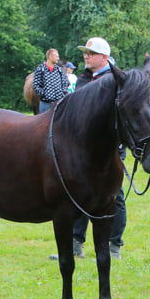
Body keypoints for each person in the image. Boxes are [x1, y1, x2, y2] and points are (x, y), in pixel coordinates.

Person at [64, 36, 126, 260]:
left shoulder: (116, 81)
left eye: (91, 53)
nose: (86, 56)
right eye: (85, 53)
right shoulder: (83, 79)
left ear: (105, 58)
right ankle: (75, 243)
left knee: (114, 196)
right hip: (83, 150)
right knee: (79, 194)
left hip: (109, 150)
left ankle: (114, 246)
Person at [32, 48, 69, 114]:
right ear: (50, 56)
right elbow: (36, 86)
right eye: (56, 56)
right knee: (43, 123)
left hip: (58, 103)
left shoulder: (59, 70)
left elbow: (66, 83)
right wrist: (45, 95)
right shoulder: (40, 69)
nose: (58, 58)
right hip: (45, 104)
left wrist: (62, 93)